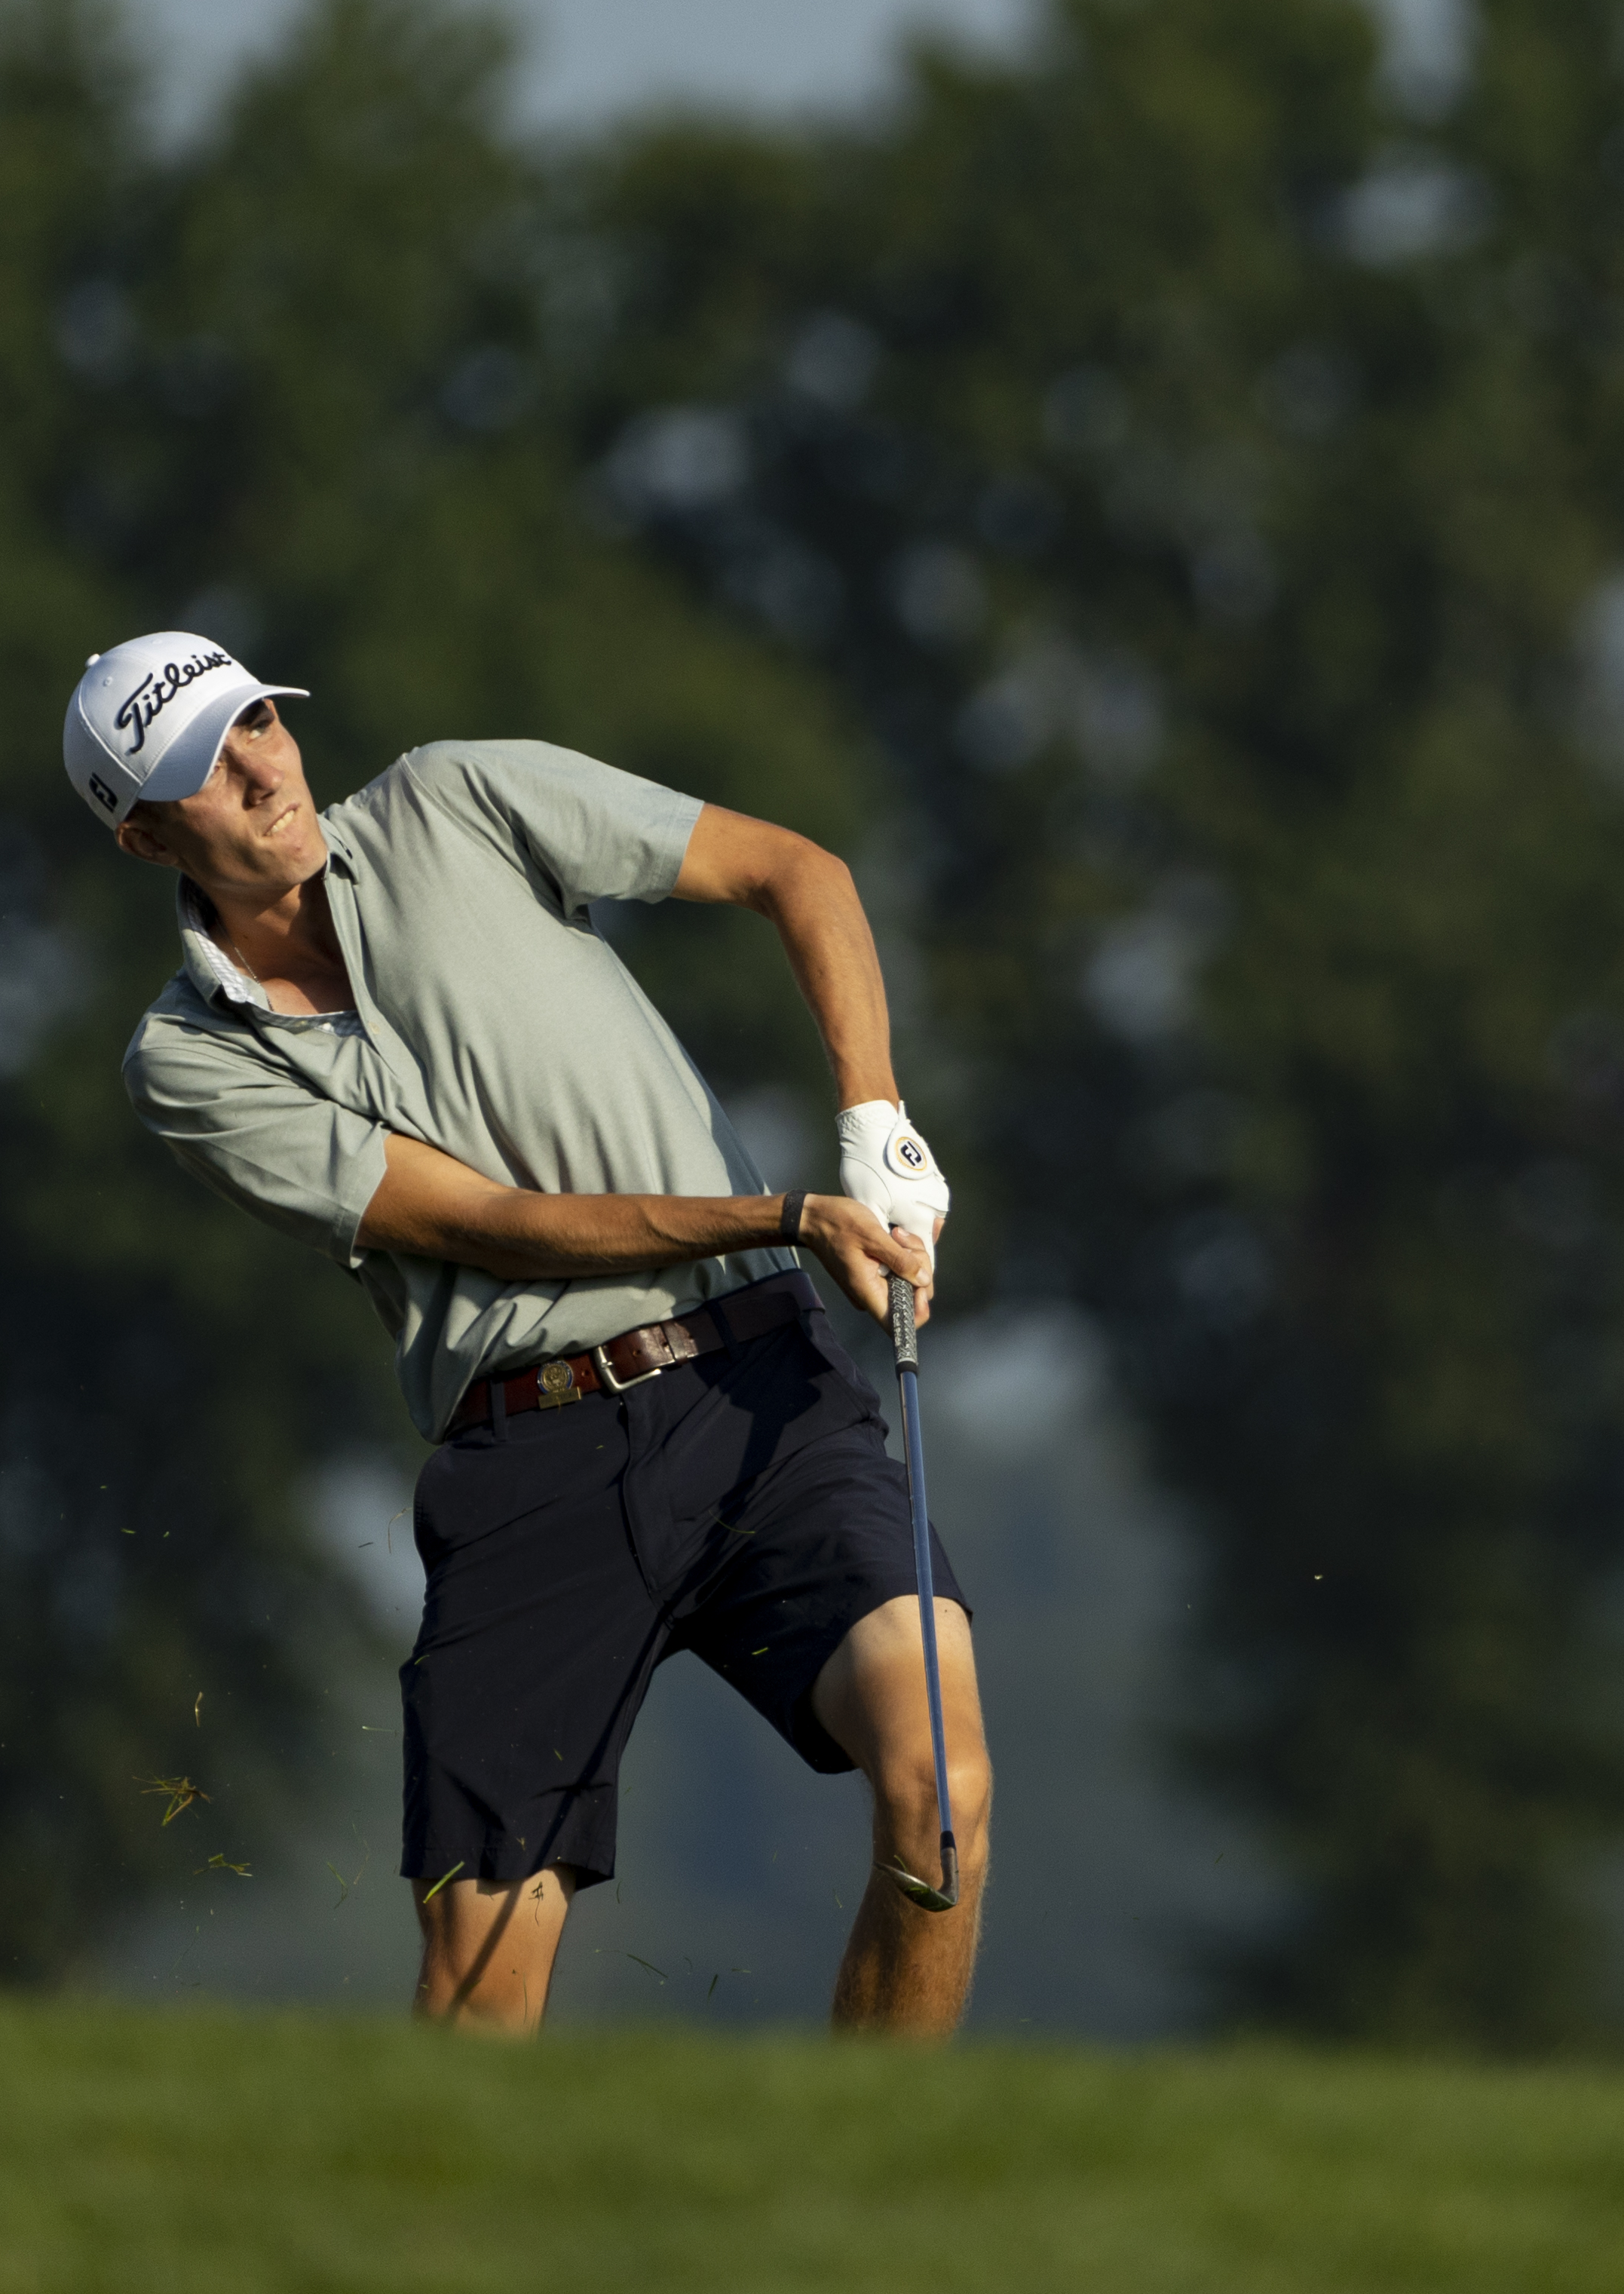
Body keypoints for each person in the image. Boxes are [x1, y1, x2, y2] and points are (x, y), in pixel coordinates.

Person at [63, 629, 985, 2036]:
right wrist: (784, 1214)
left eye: (258, 719)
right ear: (143, 839)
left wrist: (872, 1117)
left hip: (759, 1396)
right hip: (529, 1466)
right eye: (206, 764)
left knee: (943, 1789)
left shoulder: (459, 797)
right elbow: (493, 1220)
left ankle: (861, 2215)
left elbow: (795, 871)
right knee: (478, 1989)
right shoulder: (188, 1060)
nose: (261, 769)